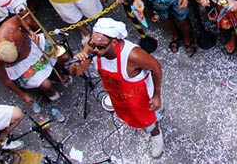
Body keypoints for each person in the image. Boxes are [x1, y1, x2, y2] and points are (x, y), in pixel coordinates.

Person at [68, 18, 165, 158]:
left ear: (113, 42)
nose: (95, 50)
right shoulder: (94, 47)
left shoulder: (133, 55)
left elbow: (156, 68)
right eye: (92, 44)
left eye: (100, 47)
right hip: (117, 95)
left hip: (141, 97)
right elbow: (77, 72)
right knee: (132, 116)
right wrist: (75, 64)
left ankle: (156, 134)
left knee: (148, 120)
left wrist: (156, 96)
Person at [0, 14, 71, 105]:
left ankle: (56, 74)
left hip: (33, 48)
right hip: (22, 67)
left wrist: (30, 31)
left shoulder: (10, 28)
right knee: (46, 85)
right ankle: (48, 90)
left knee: (64, 57)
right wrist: (22, 95)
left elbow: (20, 17)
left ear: (13, 44)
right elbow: (6, 80)